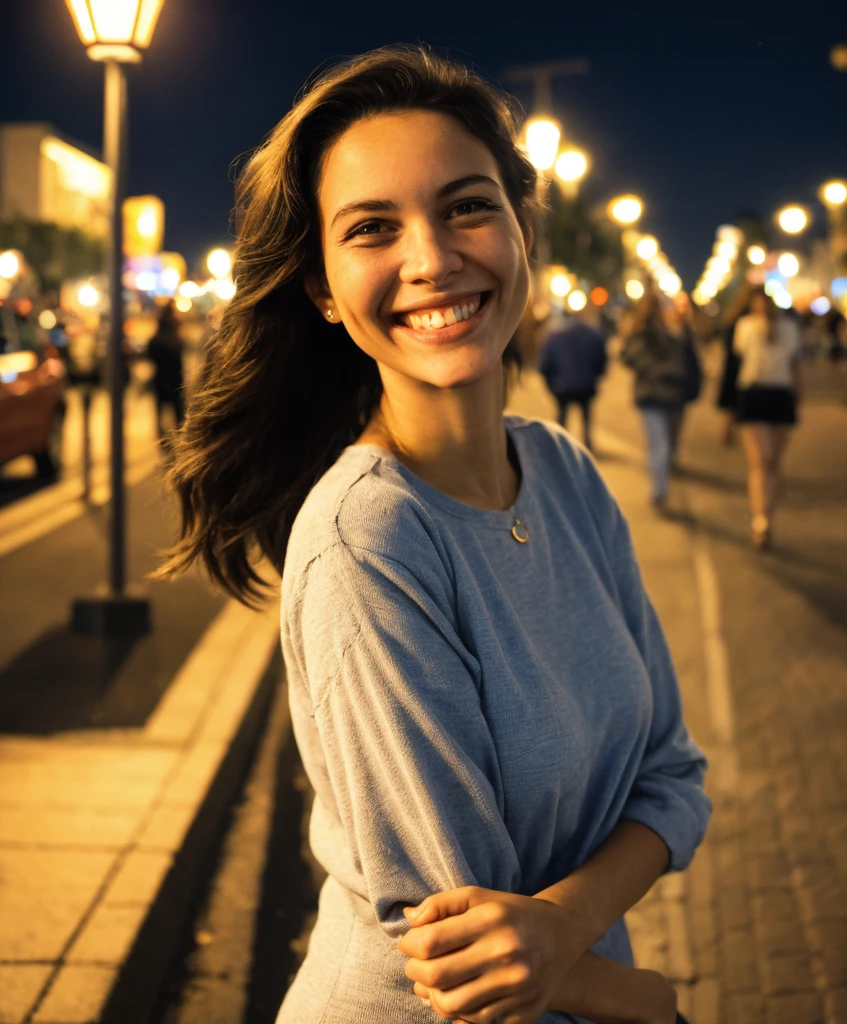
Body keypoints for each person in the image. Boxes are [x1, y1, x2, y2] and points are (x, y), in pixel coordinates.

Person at [156, 45, 708, 1024]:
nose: (432, 258)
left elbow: (672, 775)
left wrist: (567, 930)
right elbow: (462, 951)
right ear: (323, 290)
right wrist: (644, 996)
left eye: (465, 206)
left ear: (521, 229)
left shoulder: (566, 473)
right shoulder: (368, 538)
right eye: (372, 228)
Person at [733, 289, 802, 549]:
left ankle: (768, 511)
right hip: (753, 393)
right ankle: (761, 520)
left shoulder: (789, 328)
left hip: (781, 395)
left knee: (774, 460)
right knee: (761, 459)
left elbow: (795, 365)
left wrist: (799, 395)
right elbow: (740, 360)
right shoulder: (746, 326)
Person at [621, 290, 693, 510]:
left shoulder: (643, 334)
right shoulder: (664, 334)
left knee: (659, 443)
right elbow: (683, 363)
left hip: (655, 396)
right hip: (665, 396)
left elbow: (628, 358)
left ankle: (659, 488)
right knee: (663, 444)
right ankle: (659, 490)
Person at [538, 305, 607, 450]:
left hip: (562, 385)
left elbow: (545, 363)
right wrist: (595, 377)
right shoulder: (593, 334)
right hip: (586, 385)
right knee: (586, 417)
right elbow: (602, 359)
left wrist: (552, 384)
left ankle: (559, 445)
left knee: (562, 417)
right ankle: (587, 445)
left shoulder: (555, 336)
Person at [714, 282, 753, 446]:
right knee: (739, 403)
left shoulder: (733, 317)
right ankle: (737, 435)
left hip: (732, 365)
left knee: (731, 406)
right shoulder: (746, 321)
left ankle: (728, 434)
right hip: (742, 365)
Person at [147, 301, 185, 437]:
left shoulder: (155, 341)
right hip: (175, 379)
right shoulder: (177, 340)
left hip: (161, 380)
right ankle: (179, 439)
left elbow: (150, 357)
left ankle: (162, 440)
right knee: (178, 415)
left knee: (161, 414)